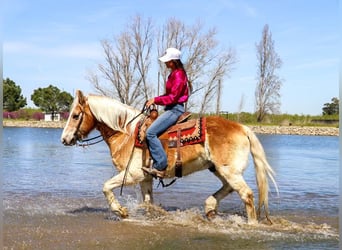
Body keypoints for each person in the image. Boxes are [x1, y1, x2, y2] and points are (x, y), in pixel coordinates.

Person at [142, 48, 189, 178]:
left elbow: (173, 97)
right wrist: (154, 100)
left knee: (150, 133)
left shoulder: (178, 75)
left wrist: (156, 100)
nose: (165, 63)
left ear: (173, 62)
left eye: (167, 61)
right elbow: (169, 95)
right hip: (171, 108)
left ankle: (160, 165)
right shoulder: (174, 74)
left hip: (175, 109)